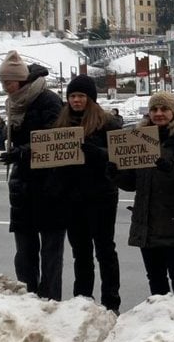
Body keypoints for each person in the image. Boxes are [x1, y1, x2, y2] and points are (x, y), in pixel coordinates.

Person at [112, 91, 174, 296]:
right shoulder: (139, 139)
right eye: (154, 109)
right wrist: (116, 174)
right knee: (155, 278)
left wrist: (171, 166)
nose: (158, 113)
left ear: (173, 111)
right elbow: (133, 184)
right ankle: (159, 322)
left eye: (164, 109)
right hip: (147, 221)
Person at [48, 75, 122, 313]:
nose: (76, 100)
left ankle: (111, 302)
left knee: (104, 250)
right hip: (72, 198)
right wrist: (21, 153)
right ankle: (82, 300)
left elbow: (120, 155)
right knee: (80, 252)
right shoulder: (61, 125)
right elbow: (46, 151)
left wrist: (98, 153)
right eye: (72, 96)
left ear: (90, 98)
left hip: (101, 196)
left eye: (81, 96)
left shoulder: (107, 123)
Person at [0, 51, 65, 300]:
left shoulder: (48, 100)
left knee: (50, 252)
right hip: (23, 184)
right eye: (2, 83)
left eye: (8, 83)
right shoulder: (13, 101)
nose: (5, 88)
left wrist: (22, 153)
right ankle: (28, 298)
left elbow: (54, 137)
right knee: (24, 251)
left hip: (50, 184)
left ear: (21, 80)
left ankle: (50, 301)